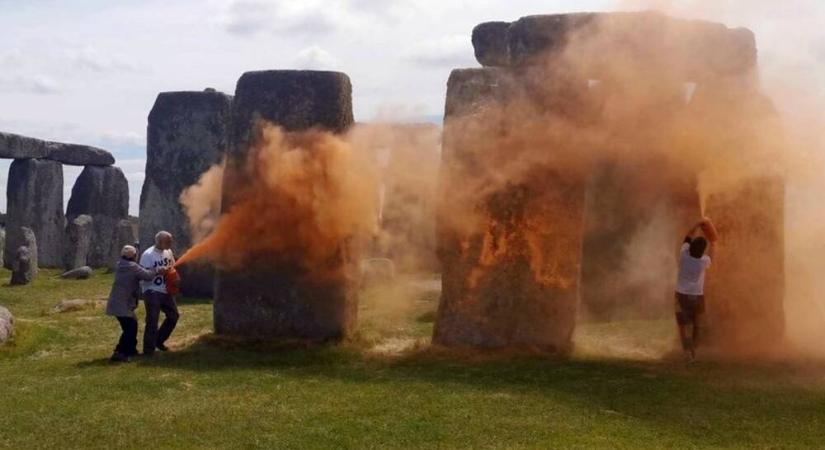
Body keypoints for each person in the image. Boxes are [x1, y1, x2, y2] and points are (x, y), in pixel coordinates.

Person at [106, 245, 167, 362]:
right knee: (130, 328)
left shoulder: (121, 264)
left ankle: (131, 349)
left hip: (117, 302)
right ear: (134, 256)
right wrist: (157, 270)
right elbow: (147, 276)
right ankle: (120, 352)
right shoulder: (132, 267)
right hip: (122, 304)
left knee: (131, 325)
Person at [675, 218, 716, 362]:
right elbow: (712, 256)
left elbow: (688, 235)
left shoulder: (684, 254)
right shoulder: (703, 262)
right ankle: (694, 349)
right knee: (697, 325)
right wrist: (713, 241)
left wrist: (697, 224)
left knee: (684, 325)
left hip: (681, 296)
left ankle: (687, 352)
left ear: (690, 247)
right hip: (697, 297)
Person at [140, 231, 178, 356]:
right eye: (168, 241)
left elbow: (172, 266)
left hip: (166, 290)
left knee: (173, 316)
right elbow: (142, 275)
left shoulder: (168, 252)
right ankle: (148, 350)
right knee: (152, 320)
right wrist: (156, 271)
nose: (170, 243)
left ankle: (158, 341)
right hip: (152, 291)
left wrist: (174, 276)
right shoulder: (147, 255)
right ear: (158, 241)